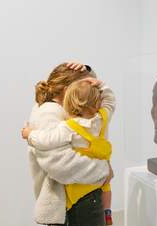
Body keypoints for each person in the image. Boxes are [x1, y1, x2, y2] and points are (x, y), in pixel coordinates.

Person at [22, 62, 113, 226]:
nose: (94, 95)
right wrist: (104, 170)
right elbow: (60, 165)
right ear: (68, 89)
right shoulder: (49, 112)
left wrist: (88, 69)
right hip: (73, 205)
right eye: (87, 87)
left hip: (78, 199)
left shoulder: (67, 110)